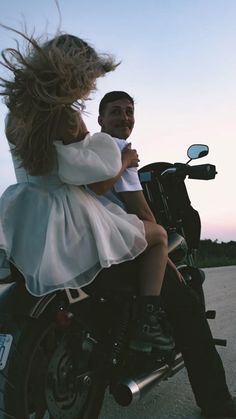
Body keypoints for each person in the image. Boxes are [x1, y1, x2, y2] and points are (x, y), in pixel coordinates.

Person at [0, 27, 174, 355]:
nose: (91, 85)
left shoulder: (16, 116)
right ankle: (147, 322)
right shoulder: (67, 119)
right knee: (159, 236)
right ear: (73, 73)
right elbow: (92, 176)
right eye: (89, 77)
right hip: (67, 214)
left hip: (25, 210)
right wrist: (122, 158)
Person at [94, 90, 236, 418]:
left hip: (90, 247)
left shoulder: (87, 149)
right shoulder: (120, 151)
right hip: (121, 248)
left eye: (129, 112)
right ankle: (216, 402)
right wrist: (161, 248)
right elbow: (142, 213)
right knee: (186, 305)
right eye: (115, 112)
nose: (124, 118)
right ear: (100, 119)